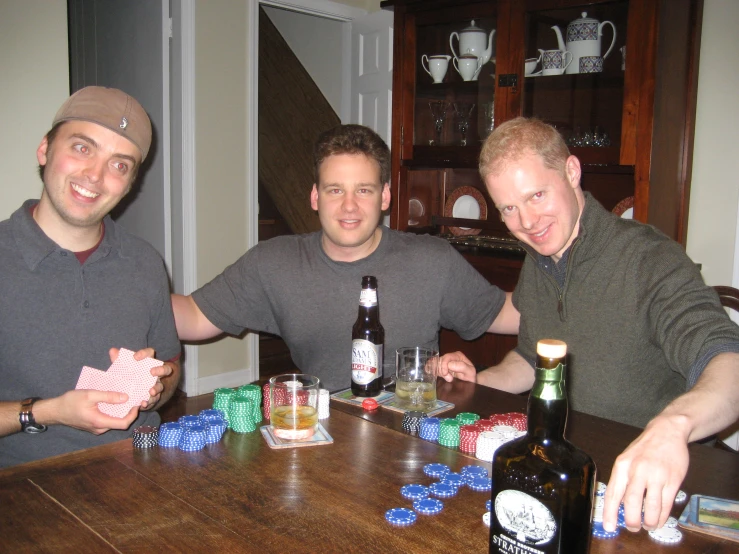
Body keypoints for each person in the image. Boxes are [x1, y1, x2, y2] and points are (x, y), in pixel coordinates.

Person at [438, 117, 739, 534]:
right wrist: (479, 383)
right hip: (570, 472)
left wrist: (672, 426)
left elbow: (728, 358)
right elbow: (532, 357)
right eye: (509, 208)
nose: (527, 222)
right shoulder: (540, 257)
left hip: (652, 487)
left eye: (537, 195)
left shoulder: (649, 259)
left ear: (572, 171)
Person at [172, 124, 519, 392]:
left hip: (412, 437)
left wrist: (567, 290)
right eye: (335, 190)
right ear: (315, 197)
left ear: (385, 197)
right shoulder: (274, 264)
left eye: (363, 190)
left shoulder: (432, 261)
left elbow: (512, 313)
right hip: (321, 437)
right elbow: (193, 316)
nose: (349, 206)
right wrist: (125, 285)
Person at [0, 87, 182, 468]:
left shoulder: (145, 261)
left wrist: (153, 388)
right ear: (45, 149)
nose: (95, 176)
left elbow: (170, 368)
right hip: (27, 487)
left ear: (130, 183)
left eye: (119, 165)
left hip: (143, 469)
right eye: (82, 148)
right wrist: (46, 412)